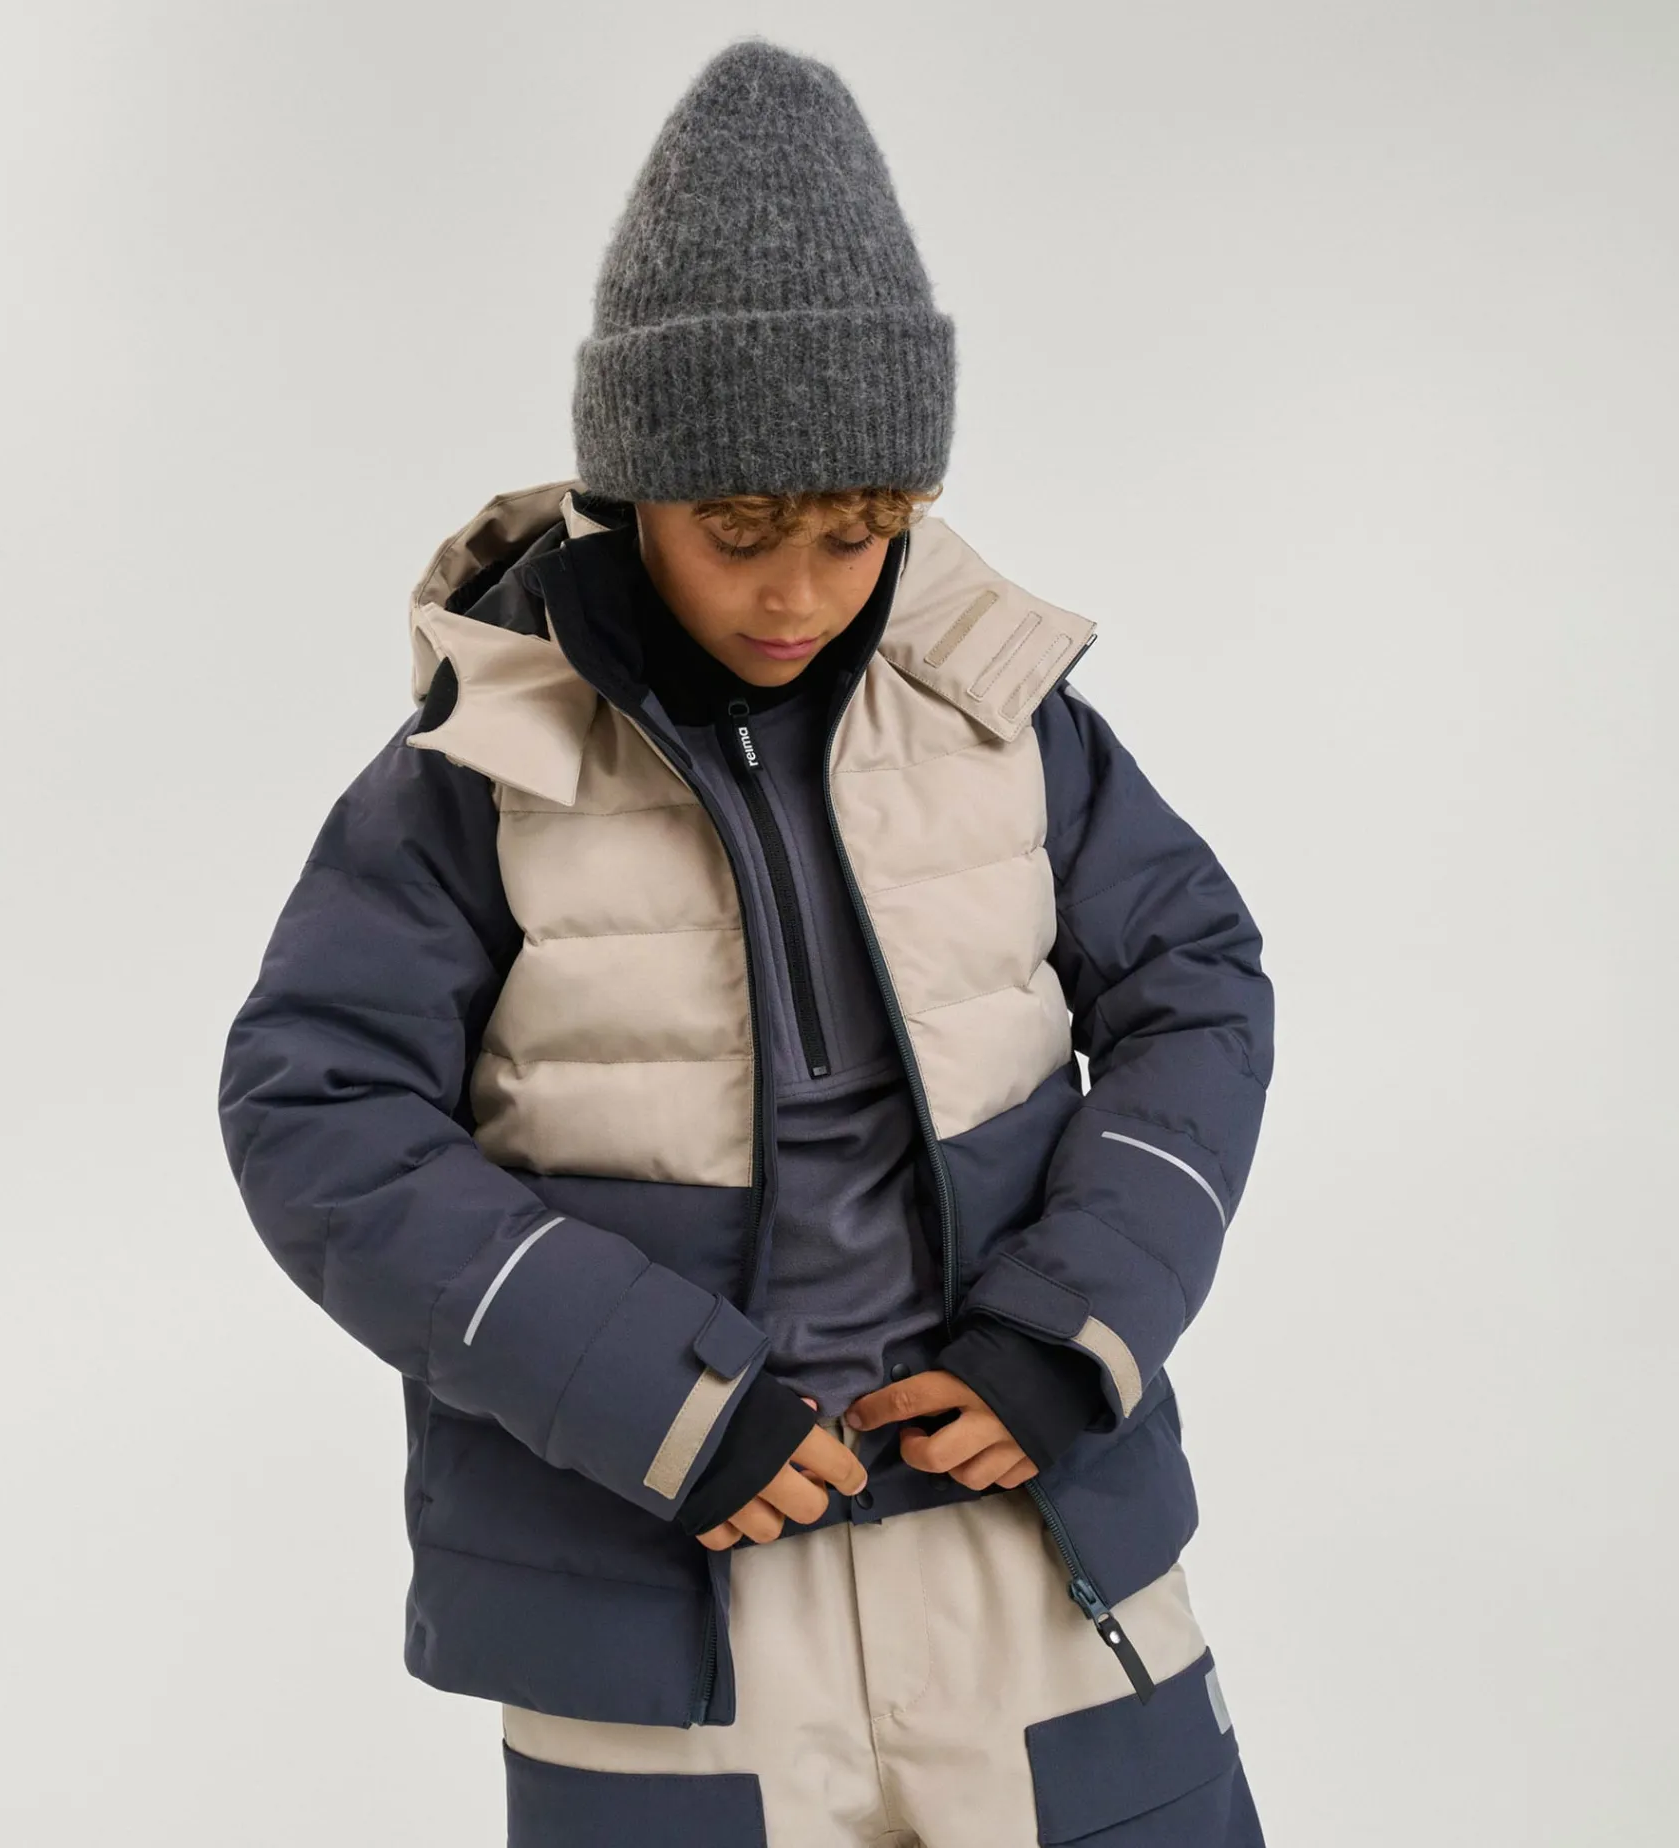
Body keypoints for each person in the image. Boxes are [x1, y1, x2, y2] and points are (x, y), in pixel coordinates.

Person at [218, 36, 1273, 1848]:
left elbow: (1199, 990)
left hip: (1031, 1540)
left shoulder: (1005, 717)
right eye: (742, 532)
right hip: (662, 1585)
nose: (799, 594)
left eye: (858, 536)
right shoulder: (479, 775)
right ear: (636, 483)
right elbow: (313, 1112)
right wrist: (659, 1398)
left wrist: (1073, 1331)